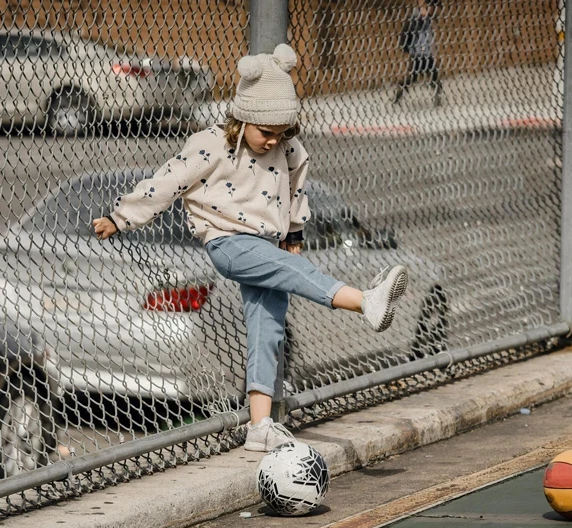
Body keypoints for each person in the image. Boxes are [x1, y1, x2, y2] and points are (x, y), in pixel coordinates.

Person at [92, 44, 409, 452]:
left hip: (269, 243)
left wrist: (294, 236)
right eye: (265, 132)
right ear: (243, 119)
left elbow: (296, 193)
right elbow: (168, 181)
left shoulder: (289, 149)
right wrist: (122, 217)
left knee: (268, 331)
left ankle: (259, 427)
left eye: (280, 133)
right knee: (301, 278)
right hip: (227, 243)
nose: (271, 141)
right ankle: (365, 301)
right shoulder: (212, 144)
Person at [394, 0, 442, 107]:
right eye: (433, 8)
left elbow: (430, 38)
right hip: (418, 54)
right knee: (414, 77)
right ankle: (399, 93)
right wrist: (407, 48)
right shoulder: (416, 18)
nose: (434, 11)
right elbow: (406, 33)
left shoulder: (429, 19)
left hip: (426, 53)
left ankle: (437, 98)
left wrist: (434, 53)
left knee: (433, 76)